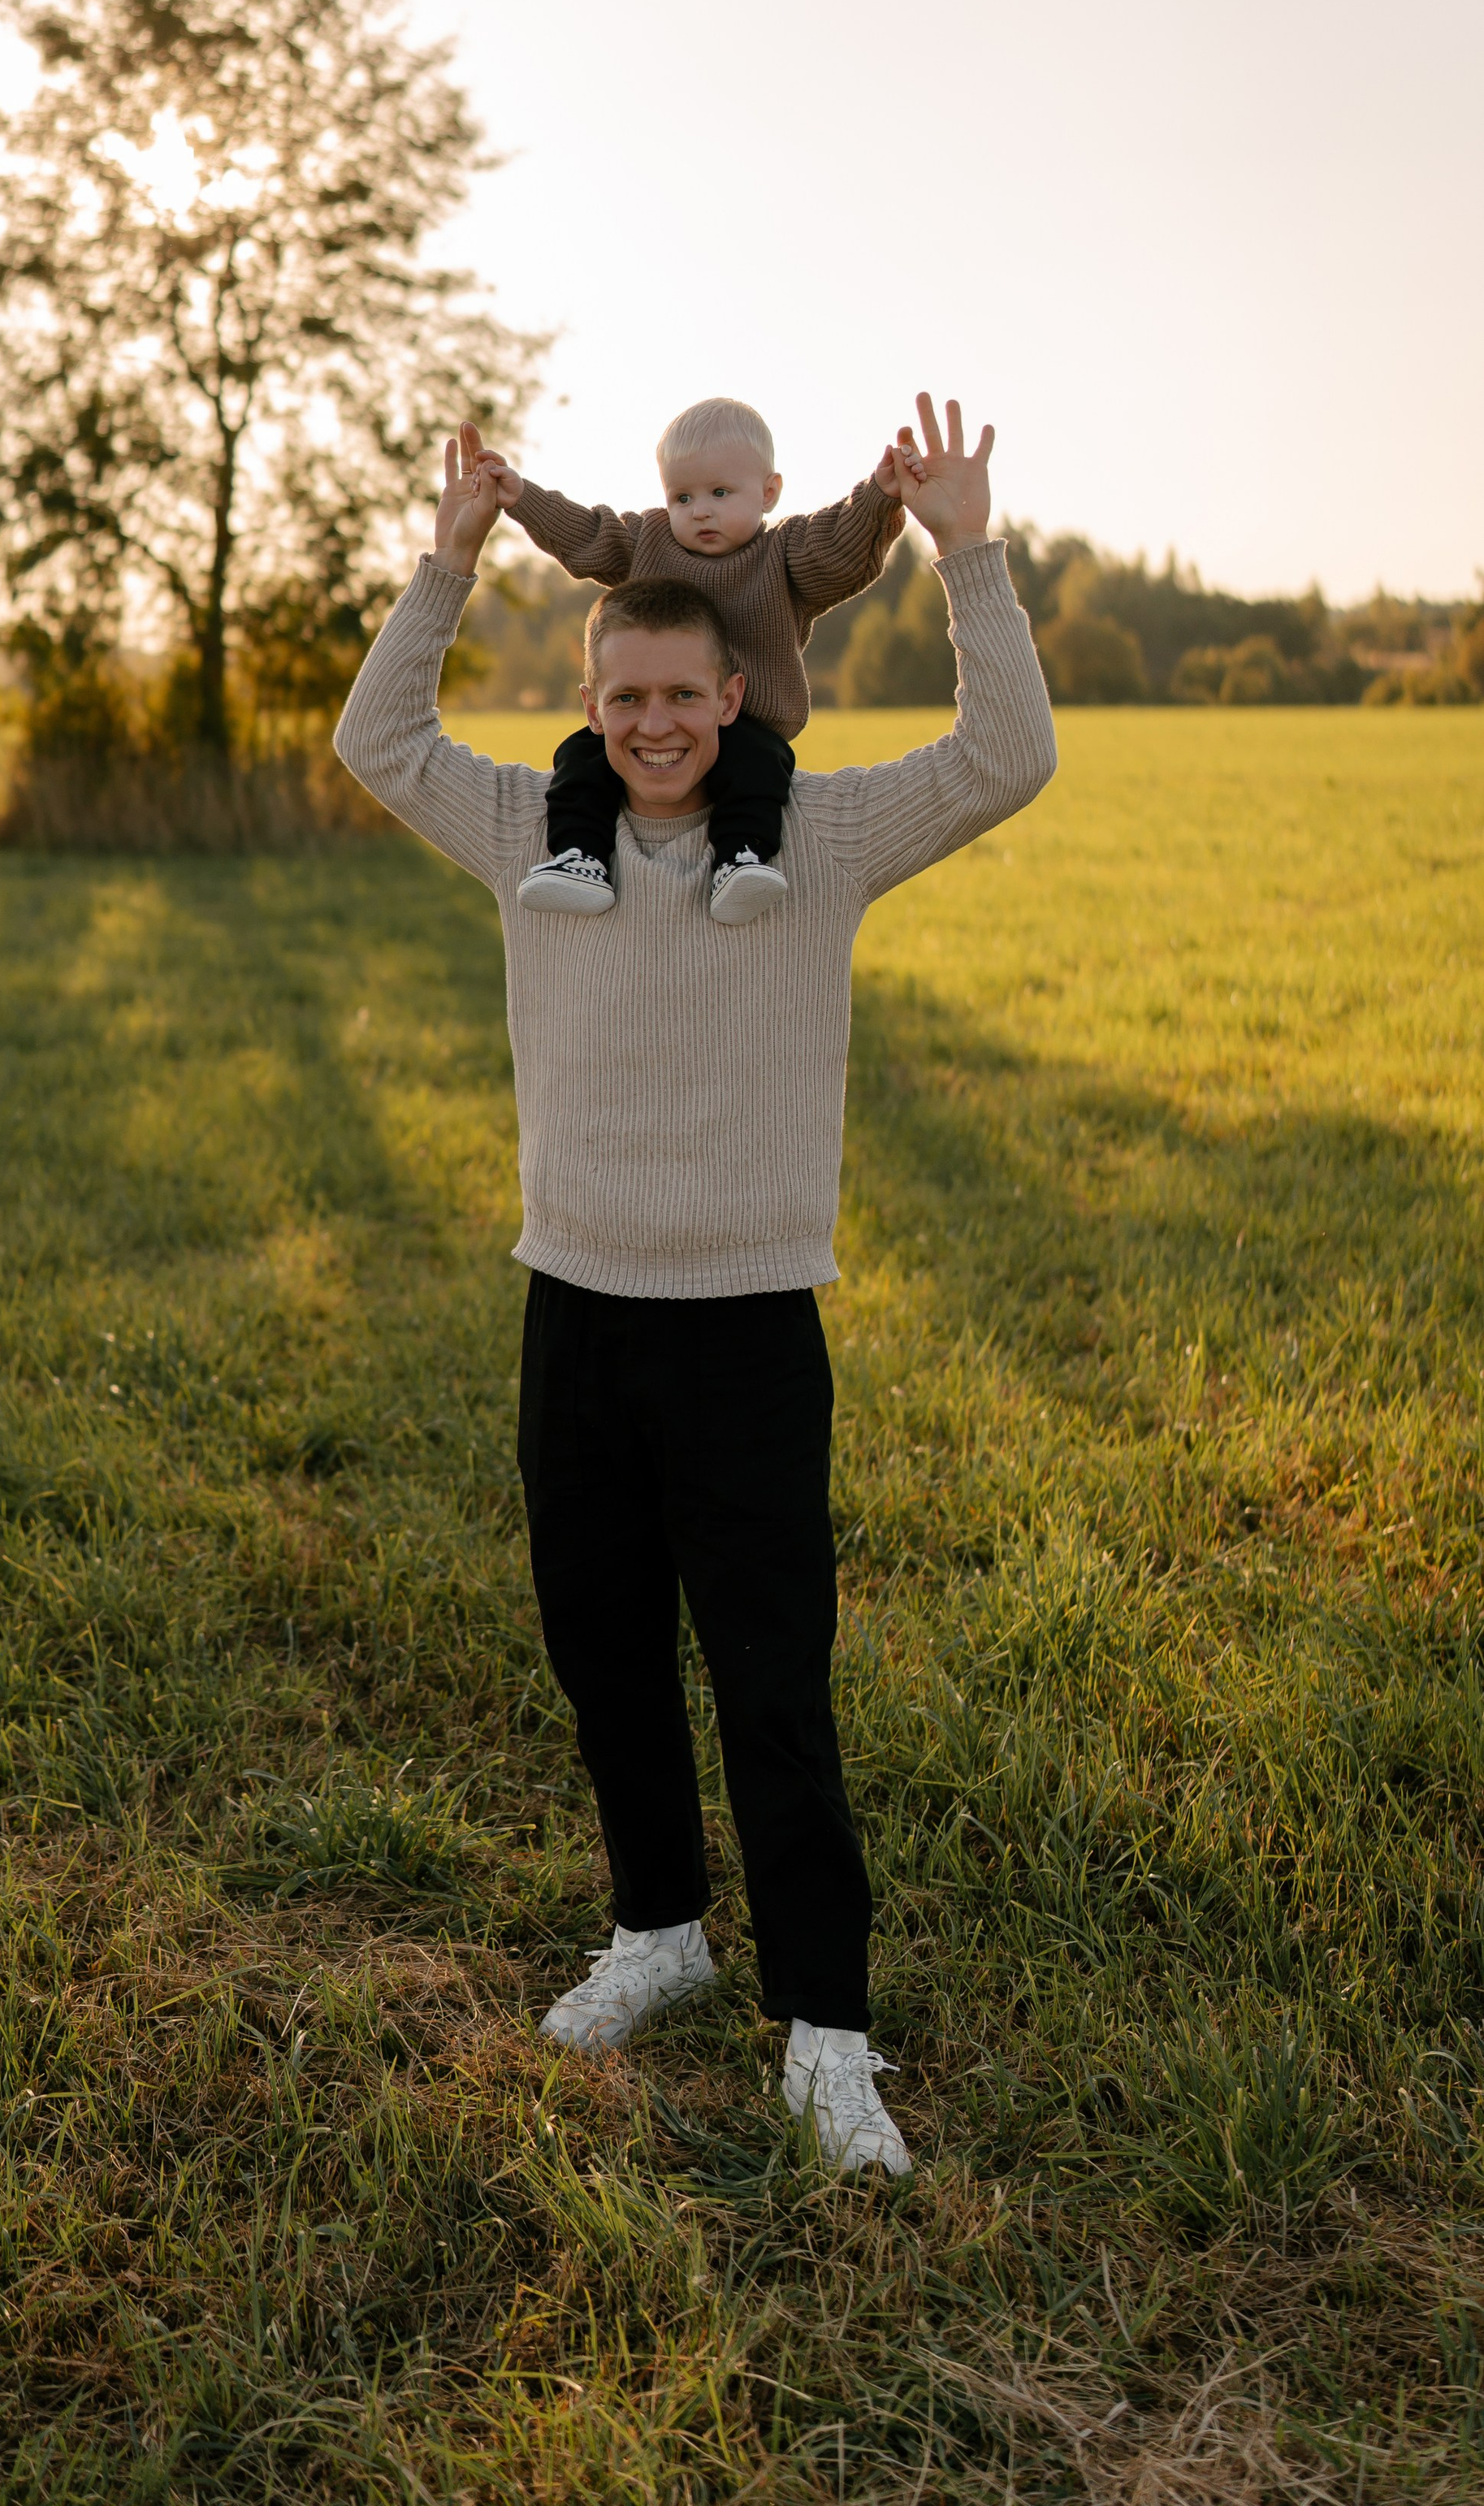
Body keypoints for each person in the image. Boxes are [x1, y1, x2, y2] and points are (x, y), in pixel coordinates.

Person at [332, 394, 1057, 2174]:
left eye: (682, 695)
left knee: (769, 1685)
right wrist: (445, 552)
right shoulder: (530, 842)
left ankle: (824, 2033)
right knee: (603, 1659)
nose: (655, 721)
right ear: (594, 709)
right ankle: (656, 1932)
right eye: (623, 697)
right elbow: (375, 740)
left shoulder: (811, 846)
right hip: (570, 1316)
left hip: (744, 1332)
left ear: (733, 699)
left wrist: (965, 550)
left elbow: (1001, 758)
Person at [472, 396, 904, 924]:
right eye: (682, 496)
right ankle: (580, 857)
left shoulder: (784, 555)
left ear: (769, 493)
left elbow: (839, 546)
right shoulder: (649, 541)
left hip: (748, 721)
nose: (700, 509)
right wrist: (523, 498)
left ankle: (740, 859)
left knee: (757, 769)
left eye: (720, 493)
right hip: (654, 710)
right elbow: (586, 533)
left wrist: (879, 496)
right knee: (581, 759)